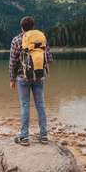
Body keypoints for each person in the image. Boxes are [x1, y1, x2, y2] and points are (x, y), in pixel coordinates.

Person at [9, 16, 53, 146]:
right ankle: (44, 135)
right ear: (33, 26)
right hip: (39, 77)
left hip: (23, 78)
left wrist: (12, 79)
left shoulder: (17, 40)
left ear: (22, 27)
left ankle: (24, 137)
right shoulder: (42, 38)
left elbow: (13, 62)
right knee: (40, 104)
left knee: (25, 106)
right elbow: (49, 59)